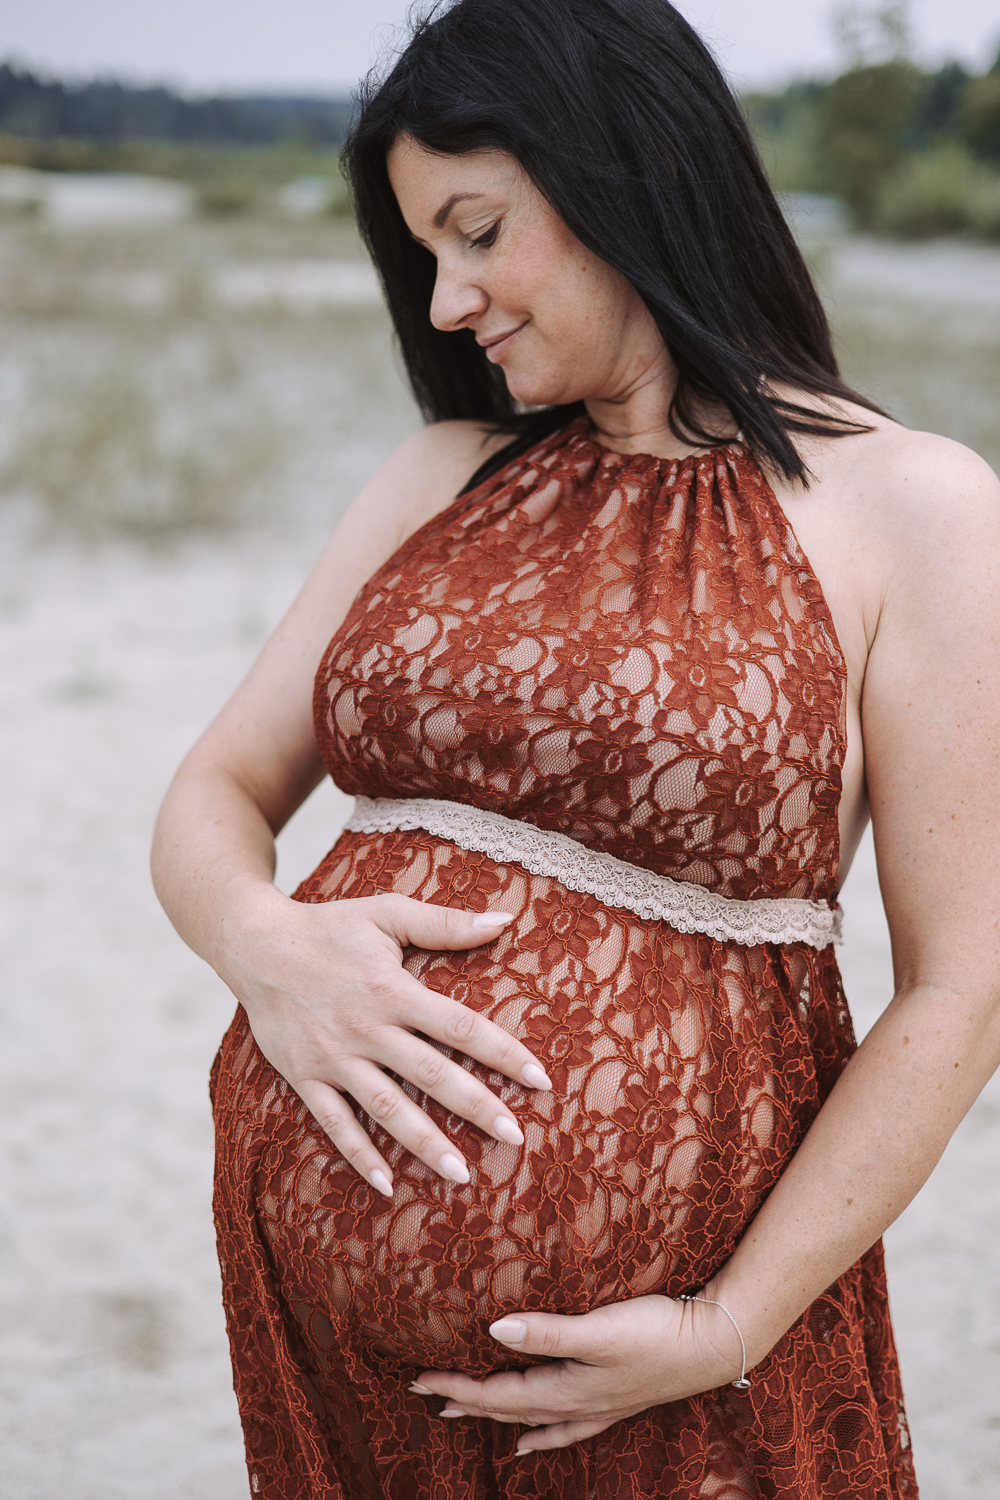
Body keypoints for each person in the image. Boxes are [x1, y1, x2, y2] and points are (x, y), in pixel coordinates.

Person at [151, 1, 1000, 1495]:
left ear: (628, 172)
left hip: (667, 1371)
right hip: (332, 1359)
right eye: (424, 255)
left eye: (476, 232)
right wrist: (261, 945)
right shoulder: (437, 475)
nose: (445, 302)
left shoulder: (912, 507)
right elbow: (212, 794)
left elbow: (967, 983)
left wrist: (728, 1323)